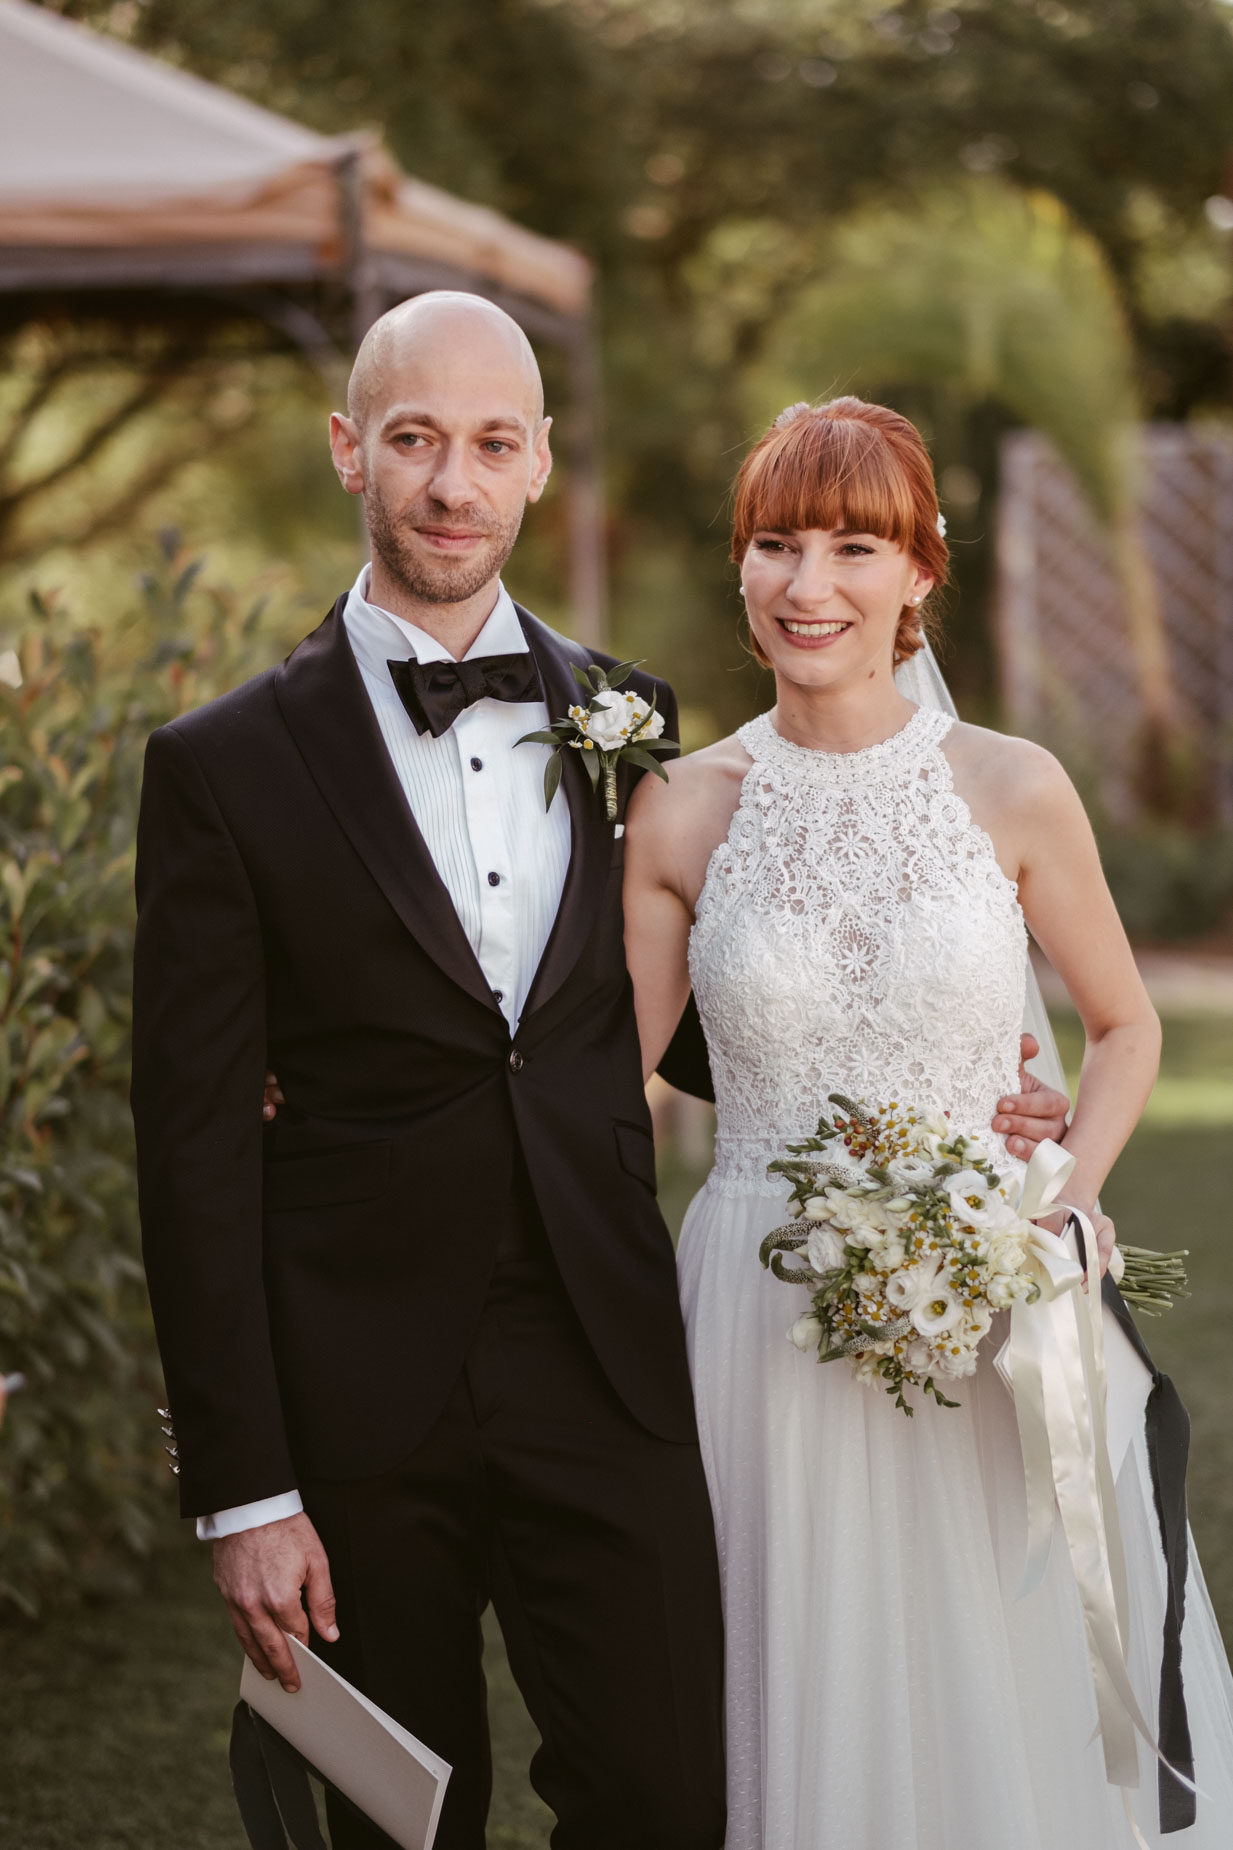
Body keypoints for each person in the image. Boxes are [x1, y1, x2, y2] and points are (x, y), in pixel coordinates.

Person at [133, 306, 1067, 1850]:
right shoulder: (220, 766)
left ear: (539, 461)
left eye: (491, 442)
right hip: (357, 1383)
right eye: (415, 439)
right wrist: (244, 1492)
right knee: (396, 1822)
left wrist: (936, 1090)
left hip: (608, 1355)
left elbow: (673, 1010)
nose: (452, 482)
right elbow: (189, 1145)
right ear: (351, 450)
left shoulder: (625, 720)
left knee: (669, 1794)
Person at [624, 397, 1233, 1850]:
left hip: (985, 1311)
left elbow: (1124, 1027)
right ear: (740, 564)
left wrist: (1056, 1205)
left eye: (853, 546)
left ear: (919, 570)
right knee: (792, 1669)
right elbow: (590, 1091)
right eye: (776, 543)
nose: (808, 584)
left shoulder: (1012, 785)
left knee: (994, 1673)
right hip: (753, 1308)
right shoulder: (679, 810)